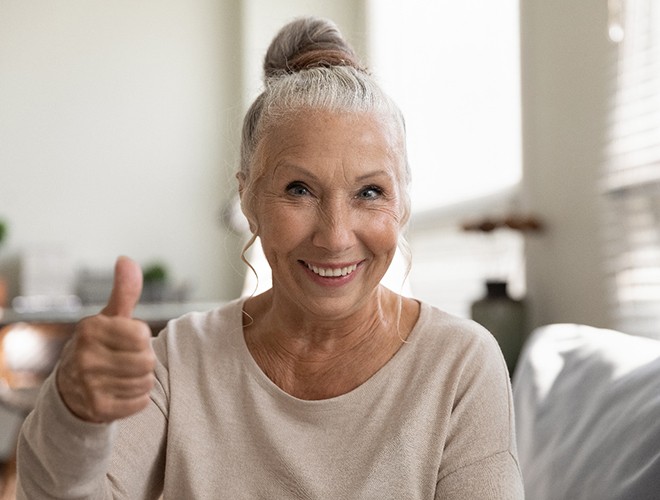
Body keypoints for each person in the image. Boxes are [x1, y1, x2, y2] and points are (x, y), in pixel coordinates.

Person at [16, 17, 523, 499]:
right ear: (248, 200)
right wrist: (75, 416)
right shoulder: (181, 358)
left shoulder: (459, 365)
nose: (335, 236)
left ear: (403, 204)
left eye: (369, 192)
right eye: (299, 189)